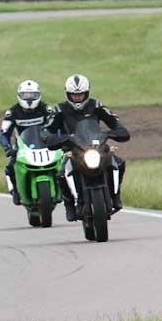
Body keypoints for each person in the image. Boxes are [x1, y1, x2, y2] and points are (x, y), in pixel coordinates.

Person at [45, 74, 131, 221]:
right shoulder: (59, 109)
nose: (77, 97)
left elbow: (114, 121)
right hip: (72, 148)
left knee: (119, 163)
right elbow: (47, 130)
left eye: (80, 94)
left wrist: (115, 131)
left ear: (87, 92)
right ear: (68, 93)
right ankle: (70, 204)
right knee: (60, 174)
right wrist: (55, 138)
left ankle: (115, 195)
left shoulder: (96, 105)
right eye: (74, 94)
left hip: (96, 146)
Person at [0, 80, 54, 206]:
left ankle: (66, 191)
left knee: (63, 163)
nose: (29, 98)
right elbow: (3, 133)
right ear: (19, 96)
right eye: (25, 95)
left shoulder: (46, 109)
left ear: (38, 95)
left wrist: (60, 139)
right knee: (10, 168)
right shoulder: (12, 112)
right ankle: (15, 191)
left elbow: (57, 126)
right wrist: (7, 148)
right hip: (22, 147)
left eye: (32, 95)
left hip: (45, 144)